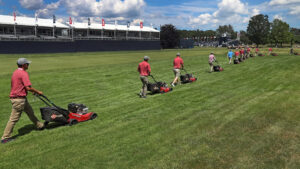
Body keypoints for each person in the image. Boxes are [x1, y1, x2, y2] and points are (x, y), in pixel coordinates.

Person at [1, 58, 45, 144]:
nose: (28, 65)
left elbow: (20, 85)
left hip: (20, 98)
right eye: (27, 64)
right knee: (13, 119)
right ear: (24, 65)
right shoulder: (23, 73)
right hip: (19, 100)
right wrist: (37, 92)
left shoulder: (15, 72)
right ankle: (5, 138)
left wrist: (30, 91)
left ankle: (40, 125)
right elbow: (28, 87)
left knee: (30, 112)